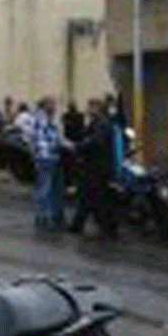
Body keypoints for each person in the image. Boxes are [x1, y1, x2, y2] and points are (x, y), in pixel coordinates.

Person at [69, 98, 118, 239]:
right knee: (90, 197)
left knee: (94, 198)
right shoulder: (97, 123)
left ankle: (106, 227)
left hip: (97, 168)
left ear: (97, 109)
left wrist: (79, 146)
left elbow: (95, 142)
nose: (88, 110)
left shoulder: (102, 124)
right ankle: (81, 224)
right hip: (94, 167)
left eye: (91, 107)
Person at [31, 96, 64, 231]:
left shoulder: (49, 120)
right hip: (46, 157)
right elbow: (47, 139)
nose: (54, 106)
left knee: (50, 188)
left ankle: (48, 216)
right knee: (45, 188)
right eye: (51, 104)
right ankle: (43, 217)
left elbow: (56, 138)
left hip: (51, 157)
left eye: (54, 103)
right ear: (44, 106)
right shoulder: (42, 120)